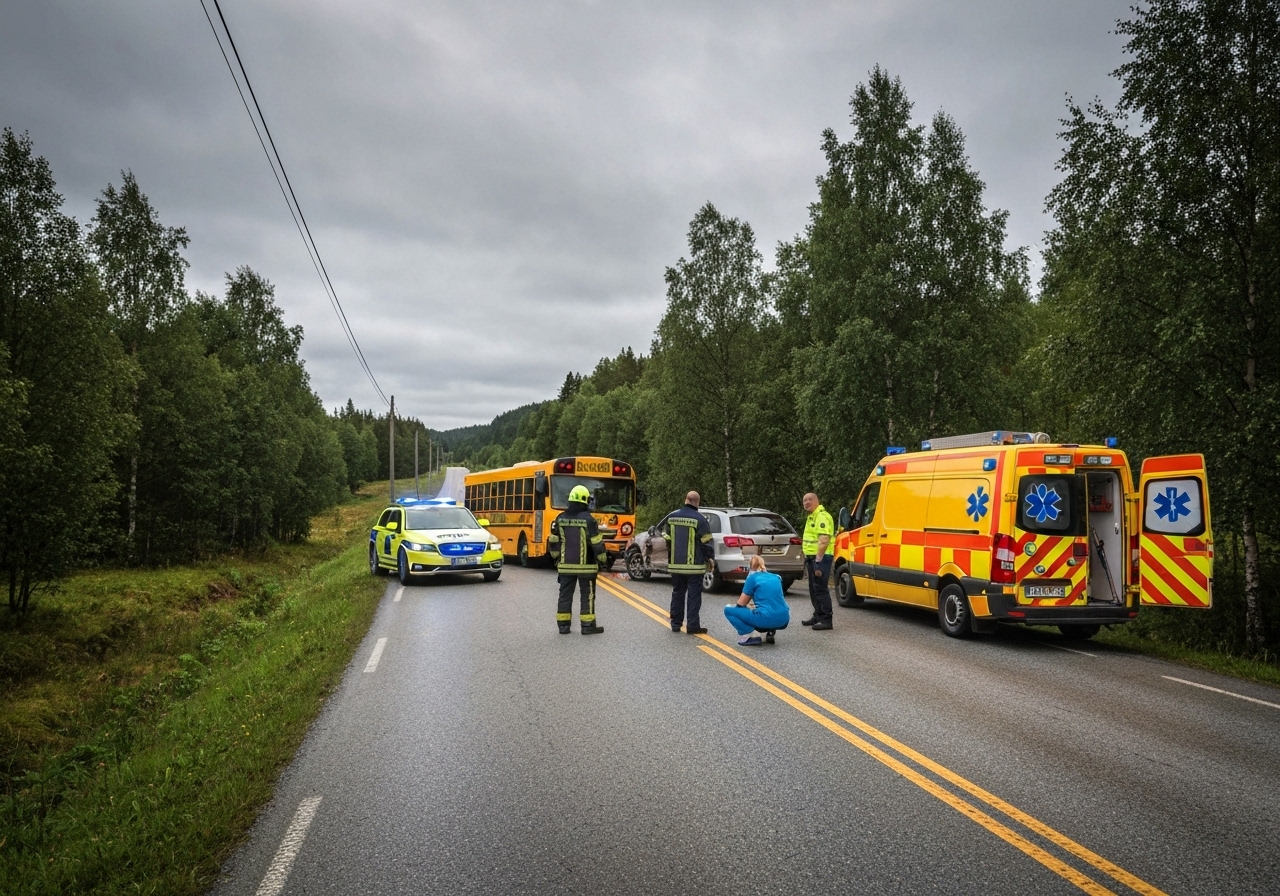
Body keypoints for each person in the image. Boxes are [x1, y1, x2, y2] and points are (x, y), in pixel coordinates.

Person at [548, 484, 607, 635]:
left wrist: (556, 559)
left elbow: (554, 541)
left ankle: (563, 626)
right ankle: (587, 626)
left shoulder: (560, 518)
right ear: (584, 500)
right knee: (587, 596)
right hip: (587, 567)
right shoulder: (589, 520)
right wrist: (602, 560)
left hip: (565, 566)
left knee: (565, 596)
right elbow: (596, 543)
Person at [665, 490, 713, 634]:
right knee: (694, 595)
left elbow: (667, 539)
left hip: (676, 564)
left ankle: (675, 624)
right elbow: (706, 543)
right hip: (694, 567)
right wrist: (710, 559)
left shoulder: (672, 518)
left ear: (686, 499)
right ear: (697, 502)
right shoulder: (700, 520)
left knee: (677, 593)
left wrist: (672, 556)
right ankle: (692, 625)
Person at [724, 555, 790, 646]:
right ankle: (771, 631)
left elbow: (741, 604)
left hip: (766, 618)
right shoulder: (776, 577)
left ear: (750, 567)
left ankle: (751, 636)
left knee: (729, 611)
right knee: (770, 606)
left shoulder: (752, 578)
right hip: (784, 619)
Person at [801, 491, 835, 630]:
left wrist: (818, 561)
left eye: (810, 499)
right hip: (812, 558)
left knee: (820, 589)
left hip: (821, 558)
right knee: (814, 589)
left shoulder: (821, 516)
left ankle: (826, 620)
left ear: (816, 501)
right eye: (805, 500)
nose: (807, 502)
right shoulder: (812, 517)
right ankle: (818, 615)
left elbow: (824, 540)